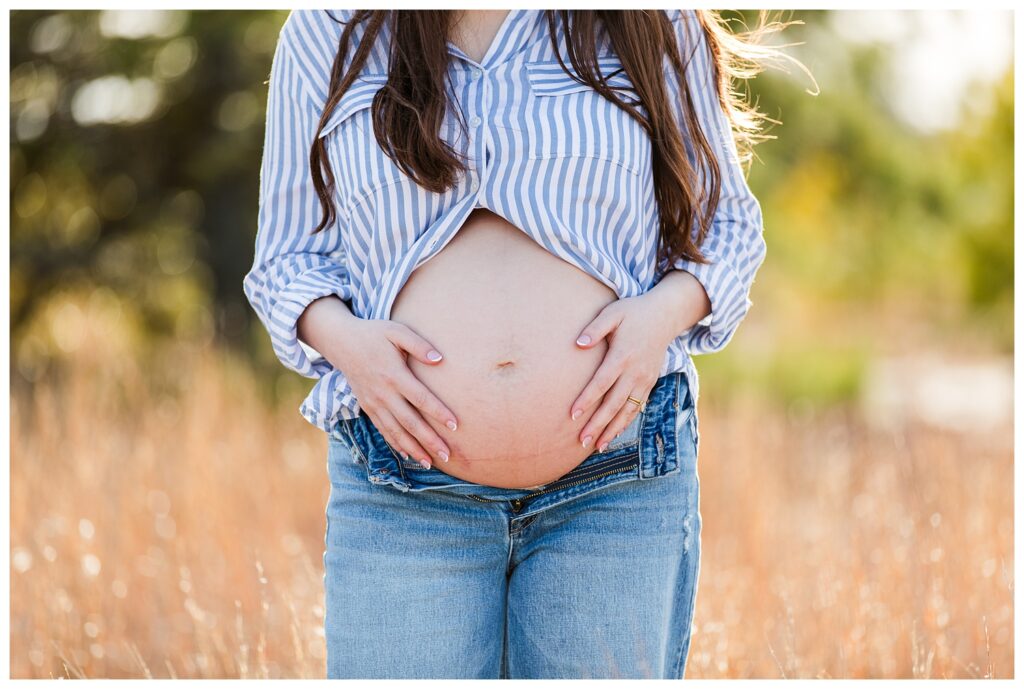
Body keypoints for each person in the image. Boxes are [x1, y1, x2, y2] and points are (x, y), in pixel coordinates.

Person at [244, 8, 785, 679]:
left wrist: (658, 320)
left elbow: (726, 227)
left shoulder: (648, 20)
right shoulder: (333, 28)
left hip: (616, 483)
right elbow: (286, 260)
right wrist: (349, 344)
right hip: (401, 484)